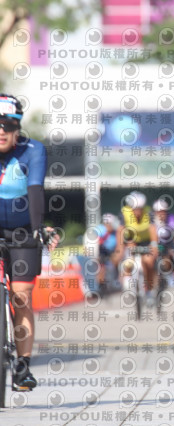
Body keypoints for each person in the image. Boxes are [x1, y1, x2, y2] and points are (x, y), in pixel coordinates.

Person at [0, 94, 59, 390]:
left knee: (21, 297)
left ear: (18, 127)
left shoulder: (33, 150)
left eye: (8, 125)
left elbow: (35, 189)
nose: (1, 131)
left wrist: (38, 229)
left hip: (22, 231)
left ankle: (22, 367)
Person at [115, 191, 158, 303]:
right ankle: (127, 281)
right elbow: (120, 230)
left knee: (148, 262)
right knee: (129, 260)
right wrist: (120, 248)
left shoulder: (148, 212)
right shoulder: (124, 213)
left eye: (140, 209)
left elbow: (153, 229)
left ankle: (149, 290)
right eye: (135, 209)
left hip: (145, 241)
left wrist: (154, 245)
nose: (137, 212)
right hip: (131, 239)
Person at [152, 198, 174, 289]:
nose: (161, 214)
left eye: (163, 211)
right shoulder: (151, 221)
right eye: (159, 212)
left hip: (170, 244)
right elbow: (153, 237)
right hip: (157, 244)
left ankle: (173, 276)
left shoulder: (172, 218)